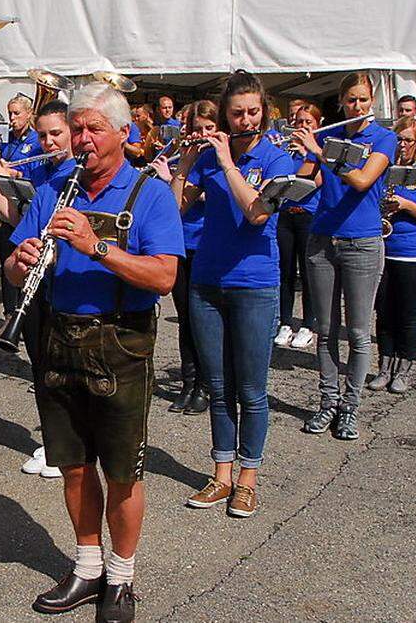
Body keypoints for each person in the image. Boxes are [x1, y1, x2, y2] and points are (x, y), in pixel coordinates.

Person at [7, 83, 182, 622]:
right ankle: (87, 566)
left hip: (121, 342)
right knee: (74, 466)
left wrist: (95, 246)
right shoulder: (53, 190)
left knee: (122, 471)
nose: (82, 139)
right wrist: (21, 259)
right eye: (77, 128)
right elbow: (15, 269)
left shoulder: (147, 192)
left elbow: (165, 276)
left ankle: (122, 578)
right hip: (58, 335)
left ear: (123, 135)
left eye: (94, 129)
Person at [162, 72, 292, 519]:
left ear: (264, 112)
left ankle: (248, 480)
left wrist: (228, 163)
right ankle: (220, 475)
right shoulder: (206, 158)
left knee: (252, 389)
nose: (244, 119)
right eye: (236, 113)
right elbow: (176, 209)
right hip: (207, 281)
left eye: (252, 111)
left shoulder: (277, 159)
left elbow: (257, 213)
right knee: (219, 387)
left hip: (255, 283)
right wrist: (182, 166)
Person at [295, 71, 397, 441]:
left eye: (363, 101)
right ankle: (327, 401)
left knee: (357, 332)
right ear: (341, 102)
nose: (356, 107)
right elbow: (303, 181)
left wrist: (321, 152)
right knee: (324, 330)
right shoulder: (327, 134)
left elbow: (362, 180)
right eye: (351, 101)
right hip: (322, 238)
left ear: (372, 102)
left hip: (362, 240)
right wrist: (297, 153)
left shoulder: (384, 137)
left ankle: (350, 407)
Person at [0, 99, 74, 479]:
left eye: (56, 134)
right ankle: (54, 441)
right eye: (43, 135)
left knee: (59, 369)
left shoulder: (74, 174)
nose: (49, 142)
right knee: (41, 366)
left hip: (62, 283)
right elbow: (23, 223)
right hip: (36, 278)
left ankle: (63, 447)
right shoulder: (45, 175)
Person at [366, 117, 416, 394]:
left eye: (408, 140)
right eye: (399, 139)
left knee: (407, 313)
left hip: (415, 254)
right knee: (384, 312)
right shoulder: (384, 170)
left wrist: (406, 204)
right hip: (384, 249)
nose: (402, 145)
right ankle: (384, 367)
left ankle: (403, 369)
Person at [152, 100, 212, 414]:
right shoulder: (185, 156)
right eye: (195, 129)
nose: (201, 135)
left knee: (202, 320)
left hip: (206, 243)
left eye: (207, 129)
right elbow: (173, 204)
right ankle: (189, 382)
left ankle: (205, 384)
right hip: (180, 242)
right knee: (185, 318)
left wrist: (171, 177)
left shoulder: (216, 158)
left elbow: (205, 195)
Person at [272, 101, 320, 350]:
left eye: (307, 122)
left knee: (308, 272)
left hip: (308, 215)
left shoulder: (317, 151)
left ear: (316, 125)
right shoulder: (285, 151)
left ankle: (309, 325)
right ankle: (286, 321)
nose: (301, 126)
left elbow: (313, 180)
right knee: (286, 271)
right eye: (298, 122)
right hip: (286, 215)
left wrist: (305, 153)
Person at [0, 94, 43, 316]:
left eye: (16, 113)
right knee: (8, 259)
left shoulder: (37, 142)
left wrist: (13, 172)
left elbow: (37, 175)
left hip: (28, 209)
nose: (12, 118)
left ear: (29, 114)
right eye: (10, 113)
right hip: (9, 206)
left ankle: (25, 312)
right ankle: (8, 313)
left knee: (26, 262)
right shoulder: (7, 140)